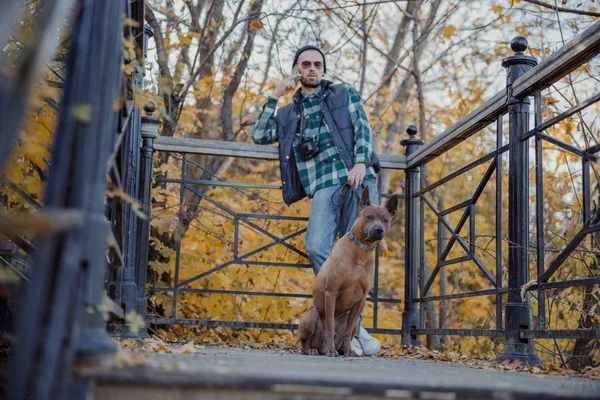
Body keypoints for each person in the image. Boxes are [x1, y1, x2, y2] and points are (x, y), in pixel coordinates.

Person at [252, 45, 381, 356]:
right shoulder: (288, 113)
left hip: (357, 177)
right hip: (323, 185)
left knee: (364, 252)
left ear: (323, 69)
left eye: (317, 64)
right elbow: (259, 135)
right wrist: (274, 95)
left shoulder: (343, 94)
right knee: (317, 247)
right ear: (298, 70)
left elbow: (362, 126)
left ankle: (349, 335)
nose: (312, 68)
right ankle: (354, 328)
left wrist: (362, 161)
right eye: (305, 64)